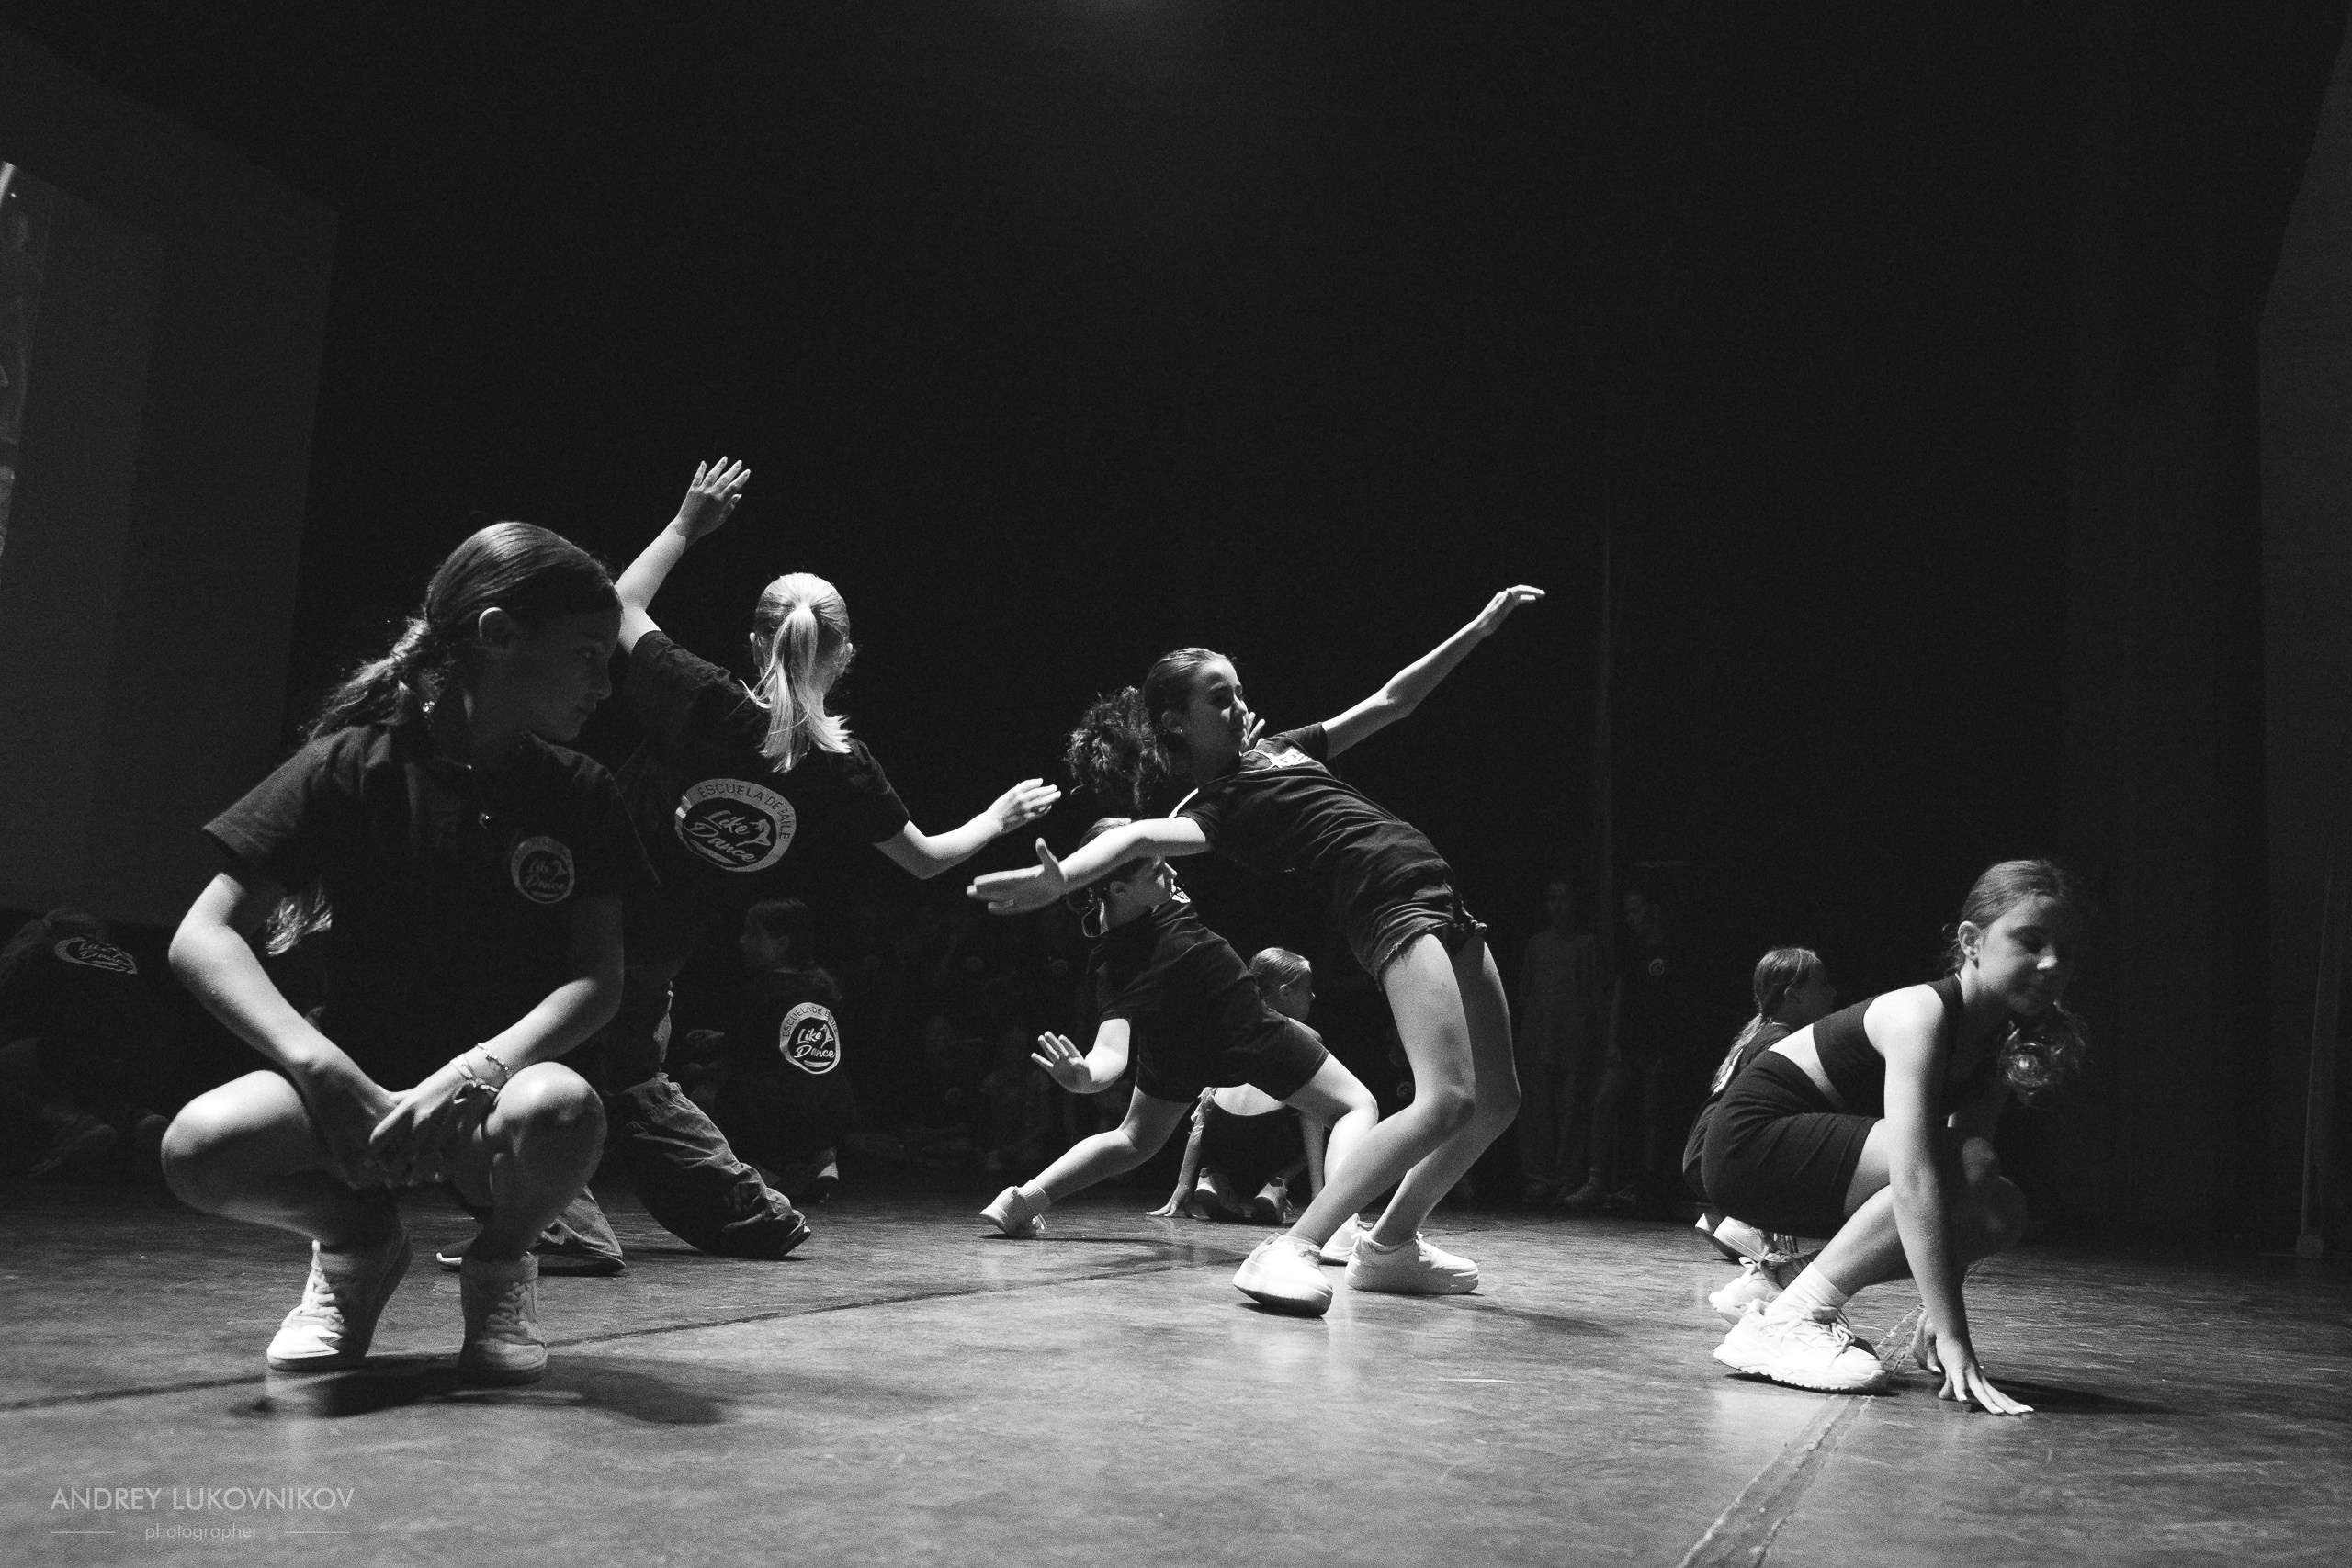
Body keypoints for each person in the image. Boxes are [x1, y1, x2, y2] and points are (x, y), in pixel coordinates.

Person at [159, 523, 650, 1383]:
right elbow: (203, 935)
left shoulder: (581, 792)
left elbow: (597, 979)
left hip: (494, 1097)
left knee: (567, 1110)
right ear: (499, 635)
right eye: (585, 655)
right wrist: (325, 1072)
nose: (605, 685)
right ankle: (357, 1243)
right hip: (357, 1096)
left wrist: (469, 1075)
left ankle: (502, 1264)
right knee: (199, 1148)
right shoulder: (348, 765)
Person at [971, 585, 1544, 1313]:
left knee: (1496, 1100)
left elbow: (1393, 701)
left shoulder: (1281, 748)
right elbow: (1138, 837)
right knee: (1449, 1097)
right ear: (1177, 723)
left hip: (1437, 890)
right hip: (1386, 898)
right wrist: (1063, 881)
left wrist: (1477, 628)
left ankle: (1392, 1244)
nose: (1240, 707)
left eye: (1239, 693)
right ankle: (1293, 1244)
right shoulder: (1214, 805)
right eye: (1220, 699)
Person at [573, 459, 1059, 1260]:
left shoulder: (700, 696)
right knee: (625, 1072)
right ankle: (731, 1211)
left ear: (757, 639)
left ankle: (571, 1215)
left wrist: (688, 523)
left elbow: (619, 605)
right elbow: (928, 861)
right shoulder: (840, 766)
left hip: (589, 915)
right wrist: (998, 816)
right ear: (844, 654)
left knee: (568, 1068)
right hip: (661, 947)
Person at [1702, 860, 2086, 1412]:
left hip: (1822, 1164)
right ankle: (1791, 1317)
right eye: (2029, 941)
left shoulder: (1997, 1041)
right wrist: (1956, 1336)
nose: (2051, 963)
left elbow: (1963, 1195)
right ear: (1972, 941)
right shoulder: (1920, 1014)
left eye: (2065, 950)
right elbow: (1916, 1176)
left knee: (2000, 1207)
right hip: (1750, 1145)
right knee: (1965, 1164)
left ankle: (1783, 1285)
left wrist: (1939, 1310)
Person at [979, 821, 1380, 1295]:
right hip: (1242, 1027)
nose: (1170, 870)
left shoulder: (1134, 902)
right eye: (1156, 868)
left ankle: (1021, 1202)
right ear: (1119, 887)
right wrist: (1085, 1077)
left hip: (1177, 1049)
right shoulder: (1121, 962)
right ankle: (1337, 1229)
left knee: (1134, 1140)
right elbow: (1109, 1052)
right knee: (1355, 1105)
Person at [1679, 946, 1836, 1318]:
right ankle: (1750, 1226)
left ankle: (1731, 1220)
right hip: (1719, 1154)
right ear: (1793, 995)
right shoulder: (1781, 1040)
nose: (1832, 992)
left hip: (1702, 1149)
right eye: (1823, 984)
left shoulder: (1758, 1033)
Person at [1150, 947, 1328, 1225]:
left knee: (1217, 1112)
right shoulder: (1306, 1035)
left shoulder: (1229, 1028)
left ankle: (1211, 1177)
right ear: (1285, 992)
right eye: (1307, 988)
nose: (1313, 996)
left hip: (1222, 1141)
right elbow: (1311, 1120)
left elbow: (1202, 1118)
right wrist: (1320, 1193)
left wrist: (1183, 1183)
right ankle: (1277, 1184)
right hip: (1272, 1143)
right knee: (1323, 1107)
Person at [704, 897, 855, 1206]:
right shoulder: (822, 987)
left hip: (777, 1118)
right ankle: (821, 1159)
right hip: (831, 1112)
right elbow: (784, 1043)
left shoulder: (759, 990)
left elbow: (741, 1057)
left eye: (753, 933)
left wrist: (710, 1062)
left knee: (703, 1095)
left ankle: (762, 1174)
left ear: (783, 943)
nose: (742, 941)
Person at [0, 908, 171, 1178]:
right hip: (133, 1058)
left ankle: (68, 1122)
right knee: (89, 1073)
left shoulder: (38, 948)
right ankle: (138, 1118)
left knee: (30, 1064)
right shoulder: (124, 956)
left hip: (60, 1051)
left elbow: (12, 1007)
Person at [1563, 886, 1684, 1213]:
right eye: (1627, 913)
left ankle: (1645, 1187)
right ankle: (1597, 1181)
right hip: (1626, 1048)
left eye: (1638, 911)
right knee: (1604, 1105)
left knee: (1651, 1117)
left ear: (1653, 910)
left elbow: (1674, 1007)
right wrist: (1613, 1042)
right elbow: (1619, 996)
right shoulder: (1630, 950)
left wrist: (1665, 1052)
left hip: (1656, 1049)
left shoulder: (1670, 951)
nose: (1632, 919)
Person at [1513, 878, 1601, 1204]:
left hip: (1571, 1043)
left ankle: (1566, 1178)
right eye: (1552, 899)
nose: (1558, 907)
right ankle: (1539, 1178)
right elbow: (1525, 994)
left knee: (1570, 1116)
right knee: (1537, 1115)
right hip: (1537, 1040)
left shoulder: (1586, 944)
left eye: (1564, 899)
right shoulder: (1537, 943)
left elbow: (1592, 996)